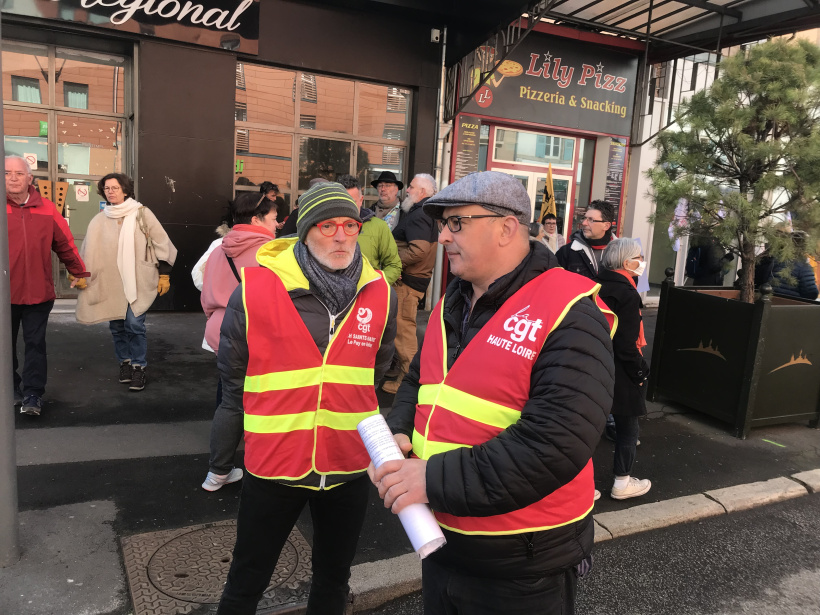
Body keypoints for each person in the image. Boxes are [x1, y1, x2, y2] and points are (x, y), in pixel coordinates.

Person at [371, 171, 616, 615]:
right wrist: (399, 429)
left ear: (506, 228)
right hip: (444, 545)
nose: (442, 235)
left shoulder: (571, 313)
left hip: (522, 566)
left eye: (456, 223)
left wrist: (427, 479)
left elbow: (555, 444)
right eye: (443, 223)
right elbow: (420, 380)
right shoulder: (455, 300)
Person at [216, 181, 397, 615]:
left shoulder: (379, 292)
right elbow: (233, 374)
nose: (340, 236)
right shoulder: (257, 286)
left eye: (350, 225)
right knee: (247, 579)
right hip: (275, 462)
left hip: (347, 463)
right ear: (304, 230)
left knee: (334, 578)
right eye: (327, 225)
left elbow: (377, 369)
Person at [200, 193, 280, 492]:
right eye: (273, 218)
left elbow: (206, 294)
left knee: (230, 401)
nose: (278, 224)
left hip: (221, 332)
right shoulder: (272, 252)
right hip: (258, 334)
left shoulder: (219, 249)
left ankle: (217, 472)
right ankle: (265, 469)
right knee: (268, 402)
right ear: (257, 219)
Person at [75, 173, 177, 392]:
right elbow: (88, 250)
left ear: (125, 190)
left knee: (134, 324)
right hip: (111, 281)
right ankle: (125, 363)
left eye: (115, 187)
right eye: (107, 188)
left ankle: (139, 366)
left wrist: (164, 273)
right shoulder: (99, 219)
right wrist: (82, 274)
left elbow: (162, 242)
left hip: (138, 279)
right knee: (117, 326)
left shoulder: (142, 213)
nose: (111, 191)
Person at [6, 155, 89, 416]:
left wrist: (78, 271)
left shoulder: (46, 208)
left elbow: (64, 242)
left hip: (38, 294)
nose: (13, 178)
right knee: (3, 348)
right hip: (3, 295)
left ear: (30, 178)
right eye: (7, 173)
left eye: (19, 173)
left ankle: (32, 394)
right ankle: (10, 390)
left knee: (35, 345)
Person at [596, 239, 652, 500]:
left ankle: (579, 486)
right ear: (626, 262)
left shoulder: (595, 286)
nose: (642, 261)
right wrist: (641, 371)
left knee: (587, 429)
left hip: (595, 365)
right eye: (639, 257)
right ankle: (622, 482)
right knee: (628, 428)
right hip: (622, 370)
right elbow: (627, 344)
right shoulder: (627, 293)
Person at [381, 173, 439, 395]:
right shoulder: (423, 212)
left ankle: (408, 383)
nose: (408, 190)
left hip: (407, 284)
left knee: (404, 333)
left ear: (422, 192)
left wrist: (394, 265)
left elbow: (419, 250)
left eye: (412, 187)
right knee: (401, 329)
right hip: (412, 281)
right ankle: (403, 372)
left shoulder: (419, 214)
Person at [337, 173, 402, 285]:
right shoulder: (323, 227)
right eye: (342, 202)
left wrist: (374, 286)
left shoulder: (378, 226)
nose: (347, 207)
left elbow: (394, 265)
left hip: (367, 296)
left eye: (352, 201)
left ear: (361, 200)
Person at [556, 199, 616, 279]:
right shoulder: (566, 252)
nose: (584, 223)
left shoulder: (620, 252)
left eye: (591, 220)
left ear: (606, 226)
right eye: (584, 218)